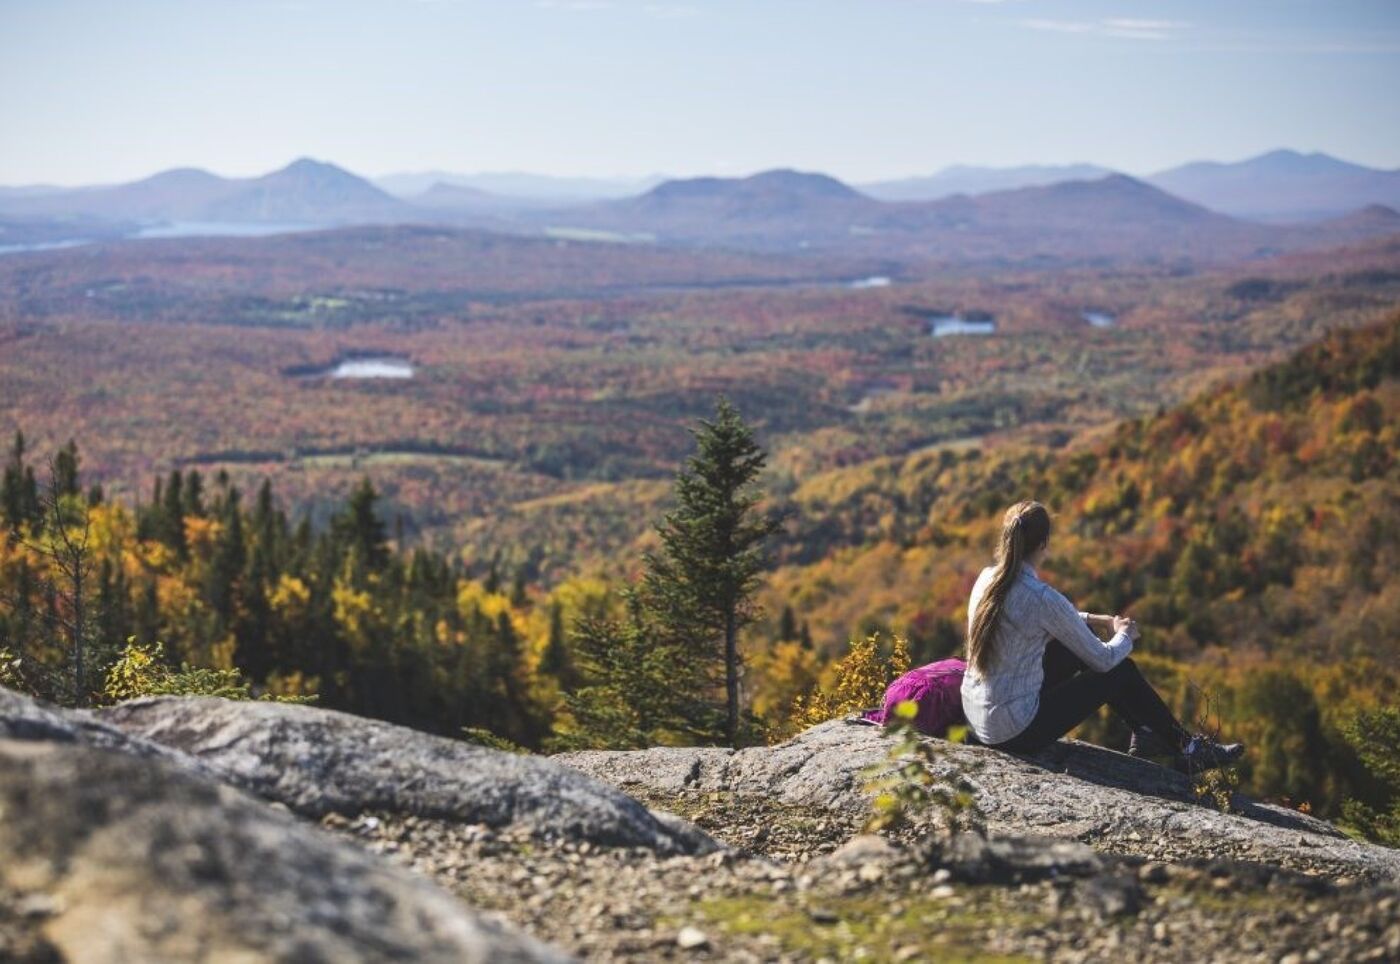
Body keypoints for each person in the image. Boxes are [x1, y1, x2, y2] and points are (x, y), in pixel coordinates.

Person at [959, 500, 1244, 773]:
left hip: (978, 719)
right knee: (1119, 670)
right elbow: (1104, 660)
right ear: (1045, 543)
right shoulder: (1041, 597)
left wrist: (1094, 620)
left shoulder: (987, 579)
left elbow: (1037, 621)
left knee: (1075, 648)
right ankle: (1188, 750)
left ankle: (1146, 732)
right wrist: (1125, 635)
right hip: (1013, 732)